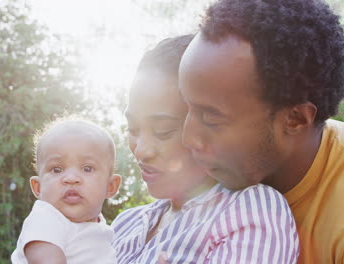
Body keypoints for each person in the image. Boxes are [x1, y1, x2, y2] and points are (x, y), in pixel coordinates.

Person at [178, 0, 344, 263]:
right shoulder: (222, 169)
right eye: (186, 106)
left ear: (295, 119)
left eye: (211, 118)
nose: (188, 139)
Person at [111, 35, 299, 263]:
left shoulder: (250, 211)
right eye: (133, 129)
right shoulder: (125, 224)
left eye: (163, 131)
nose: (141, 151)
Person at [11, 117, 121, 263]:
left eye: (87, 168)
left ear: (110, 186)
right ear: (38, 187)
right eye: (56, 169)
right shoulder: (46, 218)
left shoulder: (101, 229)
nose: (71, 178)